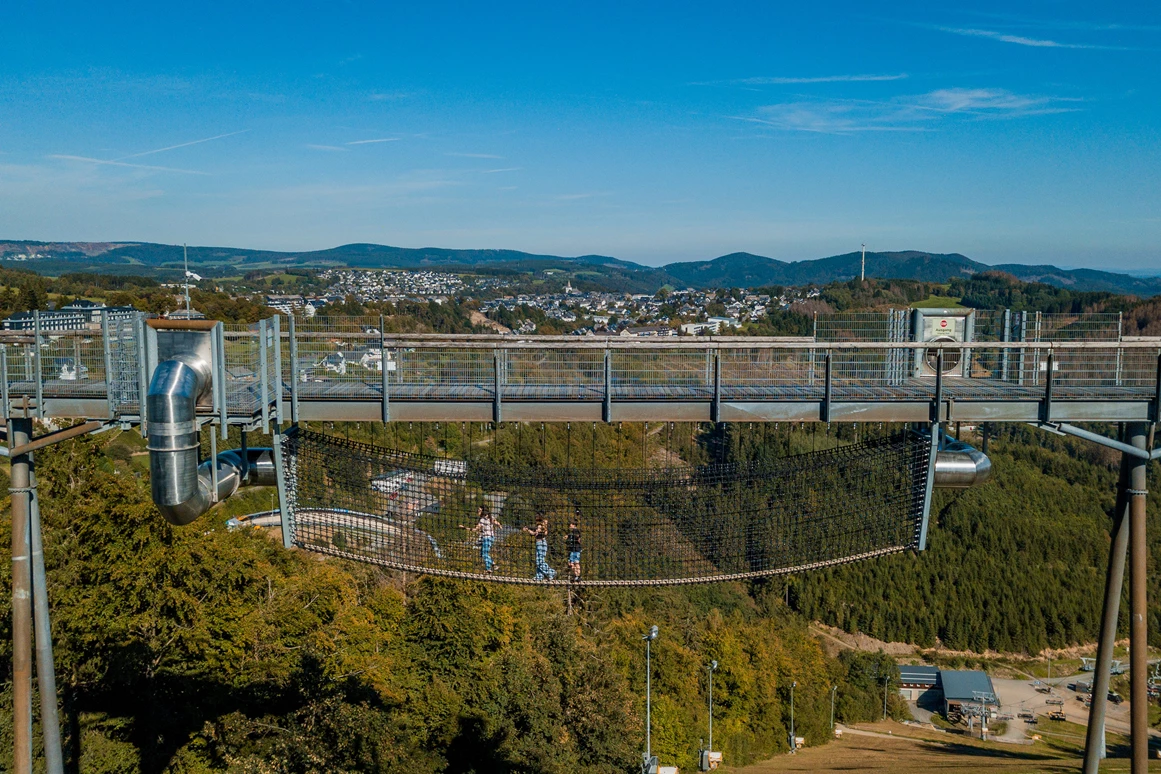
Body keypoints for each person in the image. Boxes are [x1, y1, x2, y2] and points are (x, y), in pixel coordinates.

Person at [459, 505, 499, 573]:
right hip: (491, 538)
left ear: (483, 511)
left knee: (484, 554)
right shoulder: (491, 518)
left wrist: (464, 527)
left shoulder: (482, 520)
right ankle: (488, 569)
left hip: (487, 538)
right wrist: (500, 526)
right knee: (483, 553)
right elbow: (497, 523)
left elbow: (475, 529)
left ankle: (494, 564)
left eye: (479, 510)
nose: (478, 511)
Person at [522, 513, 556, 580]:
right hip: (538, 543)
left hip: (542, 543)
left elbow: (545, 533)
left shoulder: (542, 525)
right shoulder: (538, 525)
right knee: (539, 561)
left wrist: (541, 529)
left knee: (539, 561)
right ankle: (539, 576)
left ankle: (551, 572)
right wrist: (528, 529)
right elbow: (534, 534)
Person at [566, 517, 582, 582]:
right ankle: (576, 576)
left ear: (574, 525)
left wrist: (578, 537)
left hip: (576, 549)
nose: (569, 525)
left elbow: (578, 537)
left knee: (575, 563)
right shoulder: (572, 532)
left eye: (570, 524)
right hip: (573, 549)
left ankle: (577, 576)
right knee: (571, 563)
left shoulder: (576, 531)